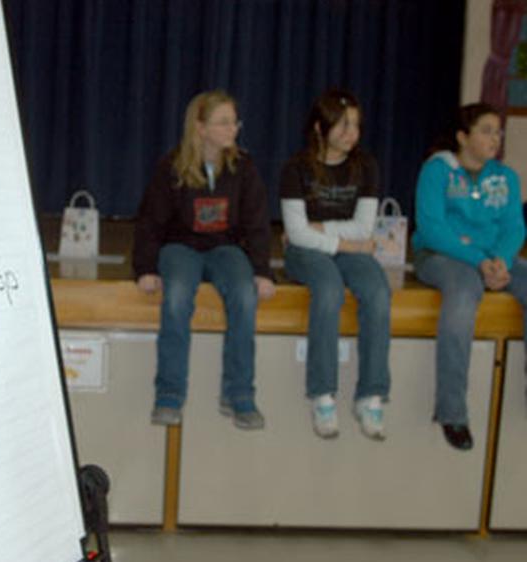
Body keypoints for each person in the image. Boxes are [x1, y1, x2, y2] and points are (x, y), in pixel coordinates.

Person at [133, 90, 275, 429]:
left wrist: (262, 271)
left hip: (225, 248)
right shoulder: (172, 167)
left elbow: (257, 221)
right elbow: (150, 221)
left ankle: (239, 394)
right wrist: (146, 268)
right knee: (178, 295)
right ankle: (169, 394)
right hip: (180, 247)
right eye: (223, 122)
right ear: (200, 128)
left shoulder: (243, 167)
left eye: (234, 122)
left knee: (244, 294)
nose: (232, 129)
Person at [412, 102, 527, 451]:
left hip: (494, 260)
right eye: (487, 131)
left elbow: (514, 227)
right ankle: (452, 411)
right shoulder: (437, 171)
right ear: (463, 136)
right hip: (442, 257)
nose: (496, 138)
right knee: (463, 294)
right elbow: (432, 229)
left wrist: (502, 261)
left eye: (499, 132)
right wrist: (479, 262)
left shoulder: (505, 177)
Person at [279, 89, 391, 441]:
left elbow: (365, 228)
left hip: (343, 247)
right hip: (306, 252)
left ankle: (371, 395)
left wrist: (324, 230)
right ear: (319, 127)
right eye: (342, 125)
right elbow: (296, 234)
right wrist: (343, 242)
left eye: (356, 125)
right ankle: (323, 394)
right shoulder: (296, 168)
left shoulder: (366, 166)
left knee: (377, 292)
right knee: (327, 289)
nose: (350, 133)